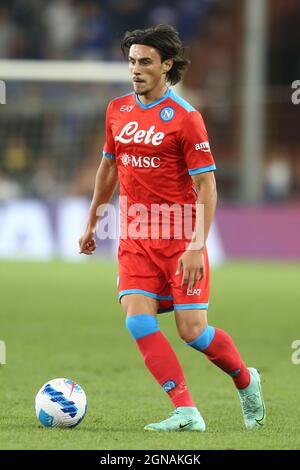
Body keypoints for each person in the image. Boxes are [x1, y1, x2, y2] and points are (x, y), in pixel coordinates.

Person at [79, 24, 266, 432]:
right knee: (138, 320)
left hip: (180, 236)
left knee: (193, 332)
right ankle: (186, 411)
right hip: (134, 235)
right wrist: (93, 218)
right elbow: (109, 166)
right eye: (131, 61)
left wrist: (197, 246)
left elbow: (206, 184)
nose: (136, 69)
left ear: (167, 66)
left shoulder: (186, 119)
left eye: (145, 62)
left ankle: (246, 380)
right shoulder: (117, 110)